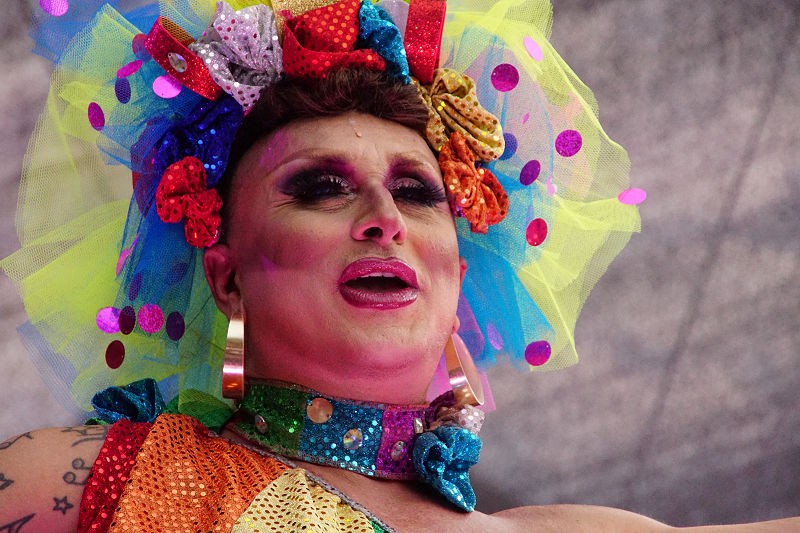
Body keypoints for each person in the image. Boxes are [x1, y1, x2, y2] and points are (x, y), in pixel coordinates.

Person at [0, 0, 797, 531]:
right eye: (320, 188)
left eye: (418, 192)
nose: (384, 217)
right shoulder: (94, 477)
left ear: (458, 271)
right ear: (227, 276)